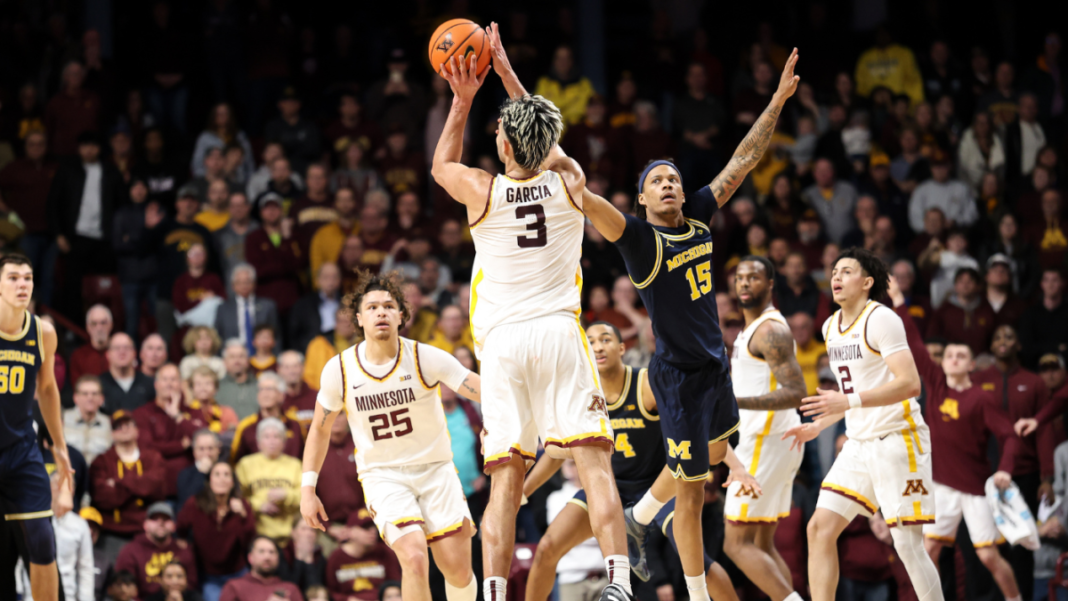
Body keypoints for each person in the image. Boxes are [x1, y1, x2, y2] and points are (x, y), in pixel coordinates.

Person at [578, 41, 800, 601]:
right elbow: (582, 194)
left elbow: (744, 160)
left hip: (714, 367)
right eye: (658, 180)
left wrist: (776, 101)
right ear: (643, 198)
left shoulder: (698, 216)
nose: (670, 183)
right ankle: (696, 593)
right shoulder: (636, 238)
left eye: (674, 177)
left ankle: (641, 515)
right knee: (695, 489)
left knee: (713, 460)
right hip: (675, 375)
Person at [430, 27, 634, 601]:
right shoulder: (569, 183)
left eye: (499, 133)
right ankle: (618, 582)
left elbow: (441, 162)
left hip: (502, 346)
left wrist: (463, 99)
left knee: (506, 482)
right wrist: (506, 72)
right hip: (559, 335)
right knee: (594, 466)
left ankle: (494, 592)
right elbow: (547, 138)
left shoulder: (482, 191)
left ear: (505, 147)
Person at [522, 322, 754, 601]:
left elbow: (694, 429)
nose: (597, 346)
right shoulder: (580, 396)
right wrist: (522, 493)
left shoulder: (646, 383)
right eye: (591, 342)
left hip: (658, 487)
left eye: (605, 339)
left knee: (697, 563)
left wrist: (737, 466)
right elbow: (558, 453)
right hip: (608, 489)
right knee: (547, 548)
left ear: (622, 348)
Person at [301, 270, 483, 601]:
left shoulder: (424, 356)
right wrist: (307, 488)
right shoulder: (339, 370)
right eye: (372, 307)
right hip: (384, 476)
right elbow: (320, 429)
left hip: (436, 470)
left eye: (388, 305)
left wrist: (527, 396)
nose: (381, 312)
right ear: (358, 318)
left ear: (402, 314)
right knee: (413, 557)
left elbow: (482, 390)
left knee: (457, 570)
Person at [780, 248, 938, 601]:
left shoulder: (881, 318)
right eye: (834, 271)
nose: (835, 277)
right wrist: (820, 425)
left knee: (907, 545)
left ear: (867, 283)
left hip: (898, 438)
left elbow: (911, 384)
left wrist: (847, 402)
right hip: (859, 442)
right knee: (820, 528)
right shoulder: (829, 327)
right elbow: (852, 393)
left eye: (846, 271)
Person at [886, 276, 1024, 601]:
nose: (954, 359)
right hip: (942, 486)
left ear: (973, 364)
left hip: (975, 488)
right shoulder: (935, 384)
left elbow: (1010, 436)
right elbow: (915, 344)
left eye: (962, 356)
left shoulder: (982, 398)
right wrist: (898, 300)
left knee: (989, 557)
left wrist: (1004, 469)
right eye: (950, 355)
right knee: (929, 549)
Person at [723, 257, 808, 601]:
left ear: (770, 283)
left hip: (765, 444)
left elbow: (795, 392)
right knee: (761, 543)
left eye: (753, 277)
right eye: (740, 278)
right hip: (773, 441)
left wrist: (734, 403)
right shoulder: (752, 328)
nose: (744, 283)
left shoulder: (771, 330)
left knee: (735, 544)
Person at [0, 253, 74, 601]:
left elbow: (46, 389)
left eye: (27, 278)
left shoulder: (43, 332)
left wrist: (60, 447)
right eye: (13, 277)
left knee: (43, 541)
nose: (22, 285)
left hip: (21, 450)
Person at [177, 461, 256, 601]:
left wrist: (243, 516)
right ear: (209, 480)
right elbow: (180, 528)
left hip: (238, 572)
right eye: (217, 474)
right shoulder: (194, 504)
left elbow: (248, 542)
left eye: (226, 475)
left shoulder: (242, 506)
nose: (222, 479)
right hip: (208, 576)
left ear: (233, 482)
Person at [90, 410, 167, 540]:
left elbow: (157, 489)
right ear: (112, 434)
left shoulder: (153, 457)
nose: (124, 429)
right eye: (118, 427)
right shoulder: (102, 461)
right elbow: (102, 498)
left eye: (128, 425)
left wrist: (117, 482)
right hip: (111, 531)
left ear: (137, 430)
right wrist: (140, 485)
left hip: (147, 531)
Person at [132, 364, 199, 497]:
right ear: (156, 384)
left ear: (180, 384)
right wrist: (181, 445)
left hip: (189, 487)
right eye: (165, 379)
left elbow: (202, 439)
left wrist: (177, 415)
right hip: (155, 487)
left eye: (173, 380)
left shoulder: (192, 412)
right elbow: (146, 447)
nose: (169, 384)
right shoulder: (142, 413)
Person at [235, 417, 302, 542]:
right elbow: (237, 499)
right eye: (266, 437)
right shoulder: (245, 464)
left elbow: (306, 497)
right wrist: (258, 505)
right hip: (256, 535)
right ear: (258, 442)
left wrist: (286, 495)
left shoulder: (295, 465)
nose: (272, 441)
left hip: (289, 536)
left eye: (276, 437)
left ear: (284, 442)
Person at [114, 501, 198, 598]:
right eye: (154, 519)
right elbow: (124, 588)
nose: (160, 522)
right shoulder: (130, 551)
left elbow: (191, 586)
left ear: (174, 525)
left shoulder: (183, 550)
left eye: (166, 519)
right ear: (145, 524)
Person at [325, 510, 402, 601]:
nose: (372, 531)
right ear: (350, 531)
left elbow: (396, 584)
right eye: (365, 528)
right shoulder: (336, 557)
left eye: (374, 526)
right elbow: (331, 592)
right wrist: (348, 599)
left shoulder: (385, 552)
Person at [231, 371, 304, 463]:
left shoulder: (295, 425)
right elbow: (235, 461)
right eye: (261, 389)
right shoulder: (246, 427)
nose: (265, 394)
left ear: (281, 395)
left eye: (270, 389)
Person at [214, 264, 281, 357]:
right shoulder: (223, 308)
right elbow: (218, 337)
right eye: (239, 282)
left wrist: (275, 357)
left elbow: (276, 336)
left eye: (247, 282)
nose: (243, 286)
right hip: (234, 358)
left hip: (263, 357)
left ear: (254, 283)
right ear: (233, 286)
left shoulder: (268, 306)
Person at [48, 470, 95, 601]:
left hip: (67, 595)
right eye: (59, 484)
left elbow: (85, 567)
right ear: (48, 487)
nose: (64, 490)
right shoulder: (35, 520)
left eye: (69, 485)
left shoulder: (80, 525)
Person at [219, 536, 305, 601]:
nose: (267, 557)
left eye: (272, 552)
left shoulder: (291, 589)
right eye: (261, 551)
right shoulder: (234, 587)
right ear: (250, 557)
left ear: (278, 558)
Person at [100, 332, 156, 415]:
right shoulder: (98, 385)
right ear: (107, 354)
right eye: (116, 348)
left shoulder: (150, 384)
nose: (122, 352)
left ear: (134, 353)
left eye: (126, 348)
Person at [64, 375, 112, 464]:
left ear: (101, 399)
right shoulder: (62, 419)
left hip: (98, 474)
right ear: (75, 397)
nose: (90, 398)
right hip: (71, 473)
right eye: (85, 394)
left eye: (94, 394)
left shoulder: (108, 423)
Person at [176, 429, 222, 509]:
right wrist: (201, 473)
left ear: (218, 450)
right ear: (194, 451)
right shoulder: (185, 474)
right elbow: (186, 502)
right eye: (201, 449)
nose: (206, 453)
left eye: (210, 448)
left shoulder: (226, 471)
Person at [69, 304, 113, 385]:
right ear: (87, 327)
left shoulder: (121, 352)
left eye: (103, 323)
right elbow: (77, 388)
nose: (99, 328)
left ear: (111, 325)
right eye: (94, 323)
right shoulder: (78, 356)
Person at [217, 339, 259, 420]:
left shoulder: (259, 386)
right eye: (232, 357)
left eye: (241, 356)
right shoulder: (216, 388)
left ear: (248, 360)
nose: (237, 361)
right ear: (224, 362)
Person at [279, 351, 317, 432]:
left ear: (303, 368)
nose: (292, 371)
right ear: (279, 370)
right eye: (286, 367)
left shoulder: (318, 397)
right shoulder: (276, 400)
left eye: (295, 366)